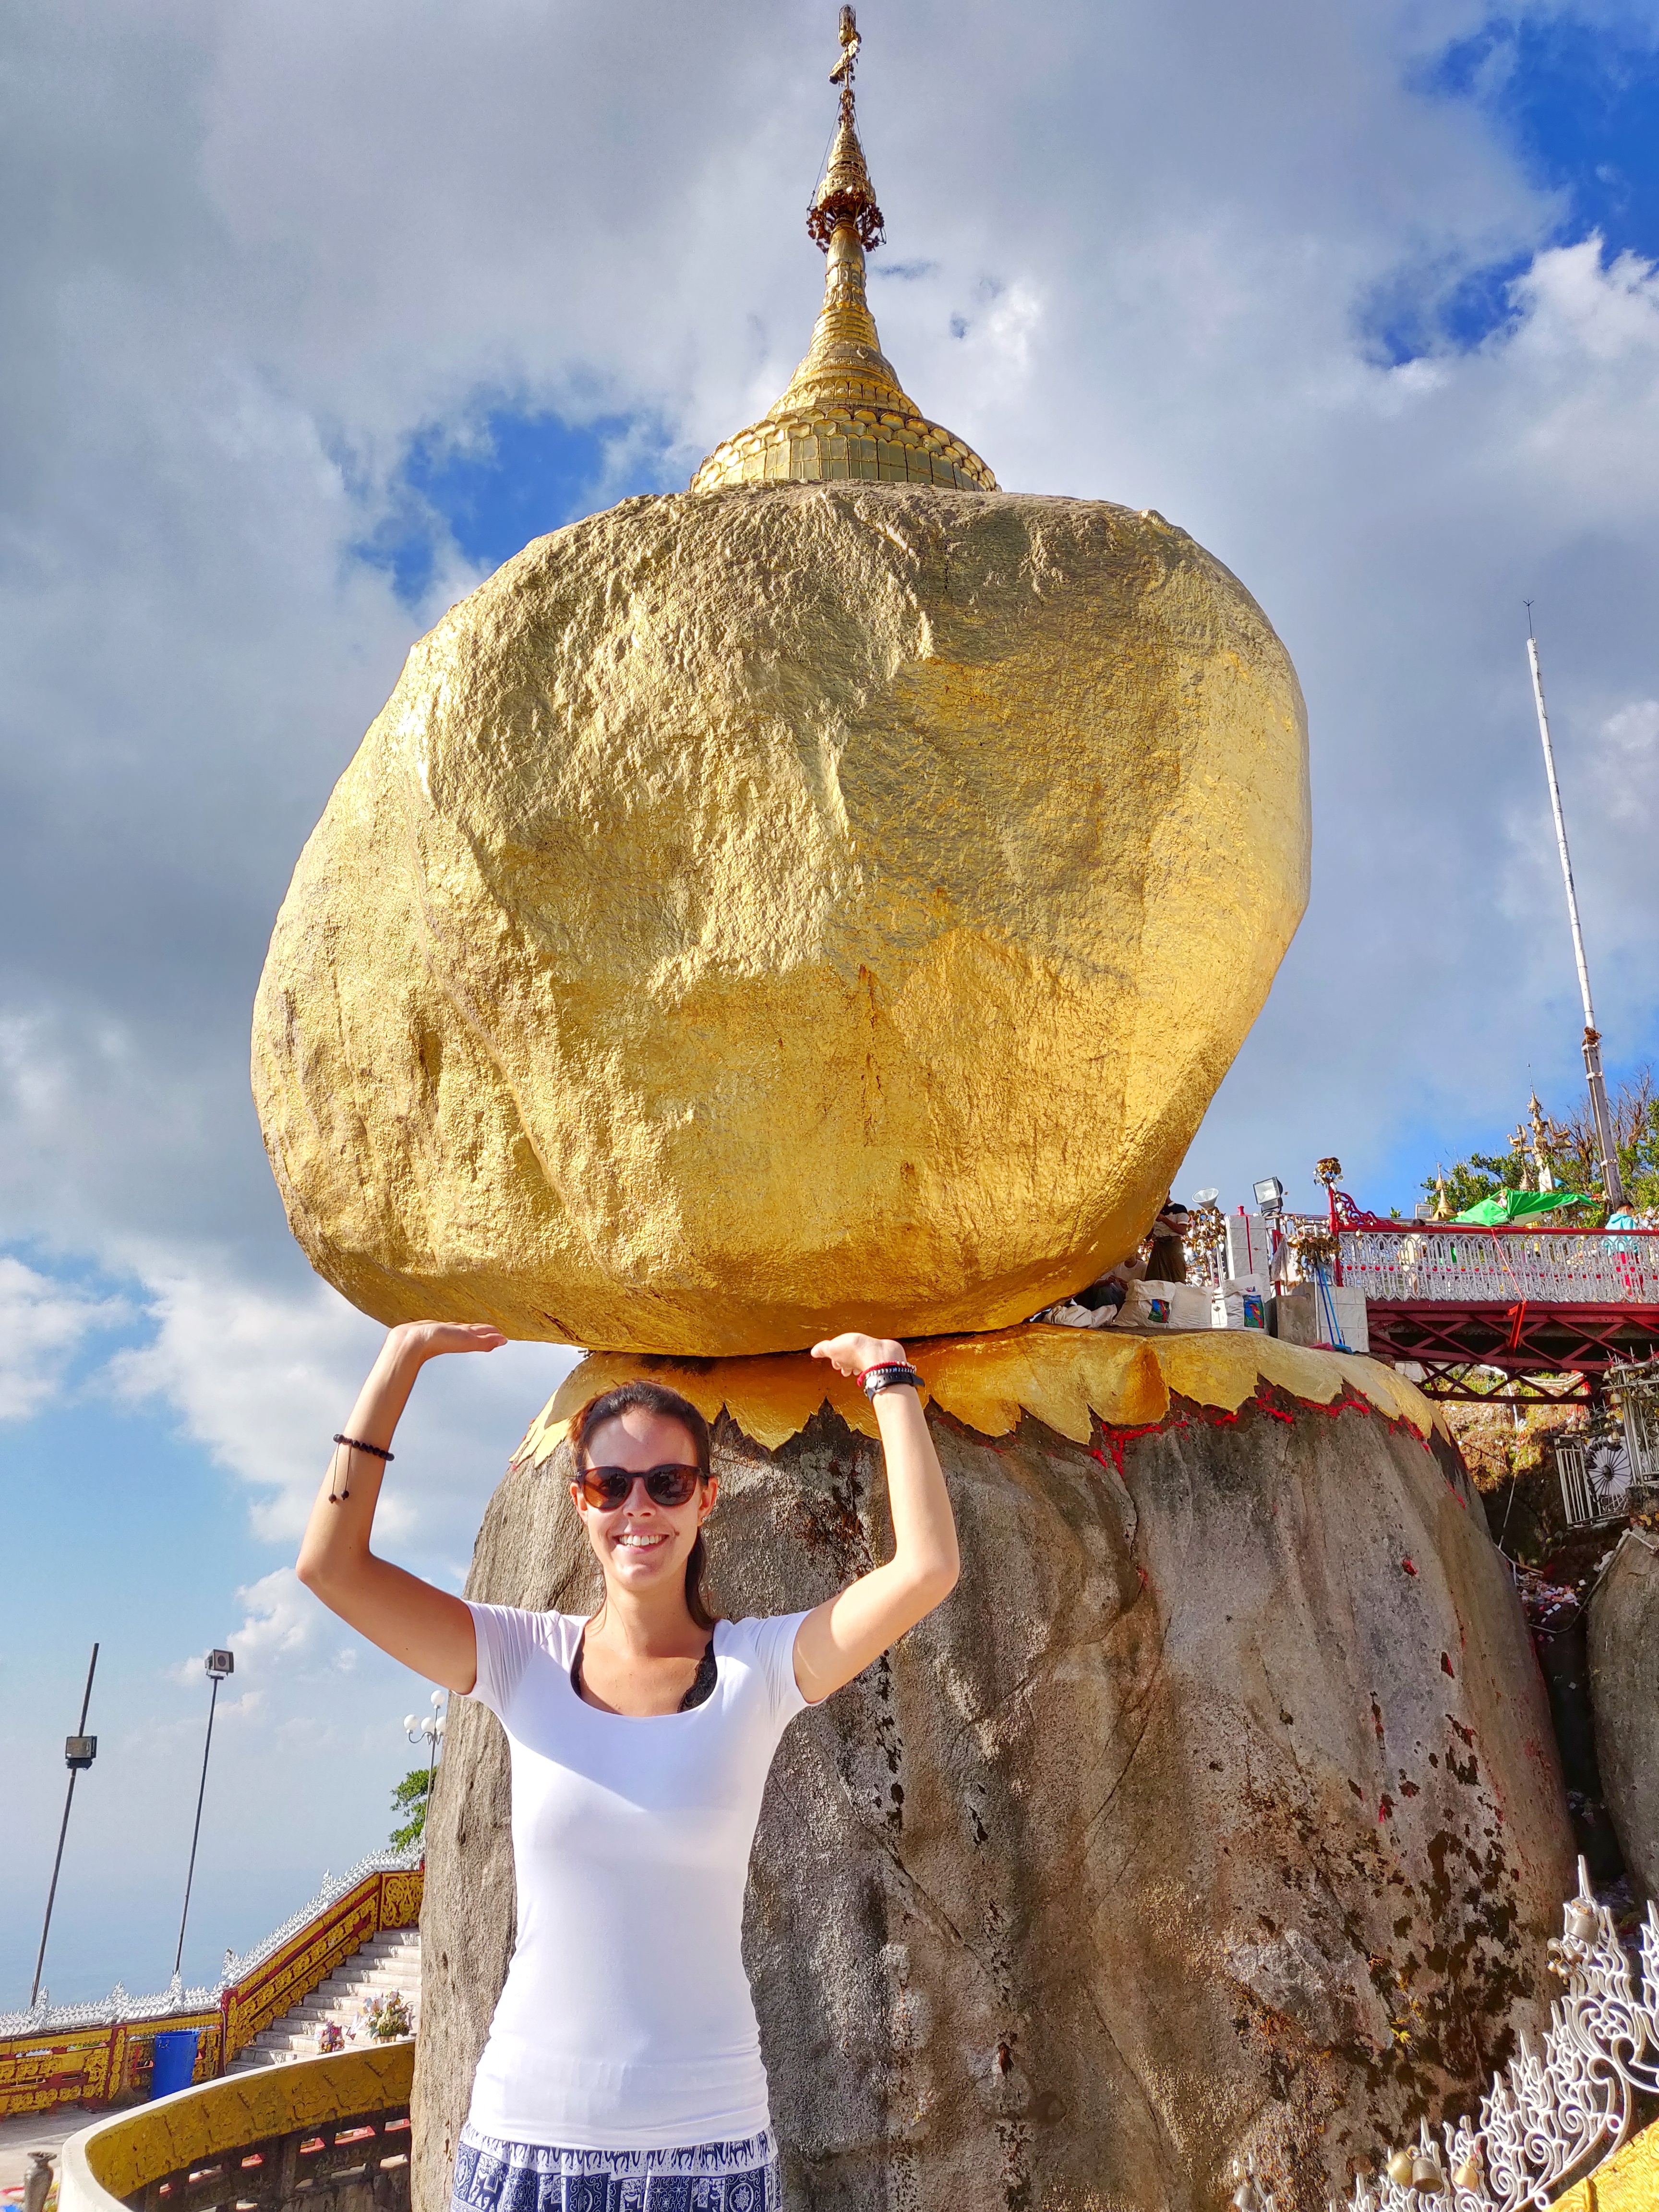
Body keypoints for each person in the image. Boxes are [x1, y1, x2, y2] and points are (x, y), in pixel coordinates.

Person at [296, 1320, 960, 2212]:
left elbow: (926, 1568)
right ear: (580, 1502)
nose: (638, 1508)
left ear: (707, 1499)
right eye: (611, 1484)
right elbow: (332, 1567)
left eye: (667, 1483)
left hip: (709, 2151)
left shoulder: (758, 1669)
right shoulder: (521, 1656)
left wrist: (890, 1379)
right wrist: (400, 1357)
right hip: (526, 2142)